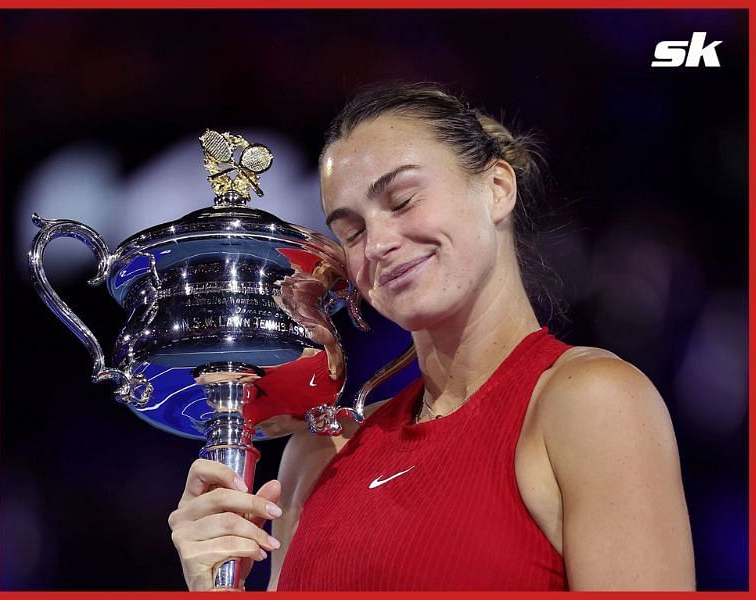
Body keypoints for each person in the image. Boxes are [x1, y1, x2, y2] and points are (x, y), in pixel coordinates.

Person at [168, 82, 695, 591]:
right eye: (350, 231)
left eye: (402, 200)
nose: (376, 244)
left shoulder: (590, 402)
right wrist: (212, 583)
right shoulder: (319, 453)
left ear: (497, 188)